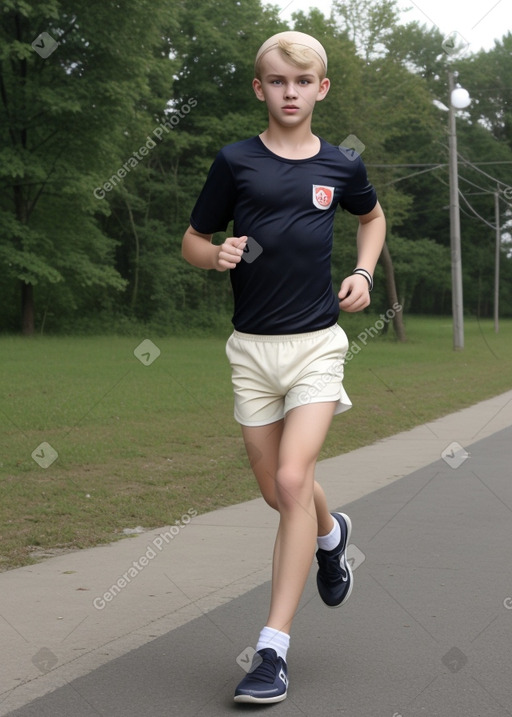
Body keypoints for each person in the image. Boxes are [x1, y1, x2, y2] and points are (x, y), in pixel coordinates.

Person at [181, 30, 386, 704]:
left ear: (320, 89)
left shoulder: (340, 165)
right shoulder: (234, 162)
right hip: (250, 351)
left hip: (317, 345)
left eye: (302, 82)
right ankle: (331, 533)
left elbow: (373, 217)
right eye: (277, 81)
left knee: (295, 477)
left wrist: (361, 271)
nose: (290, 92)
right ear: (260, 88)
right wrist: (217, 257)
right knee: (279, 493)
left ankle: (272, 651)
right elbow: (193, 239)